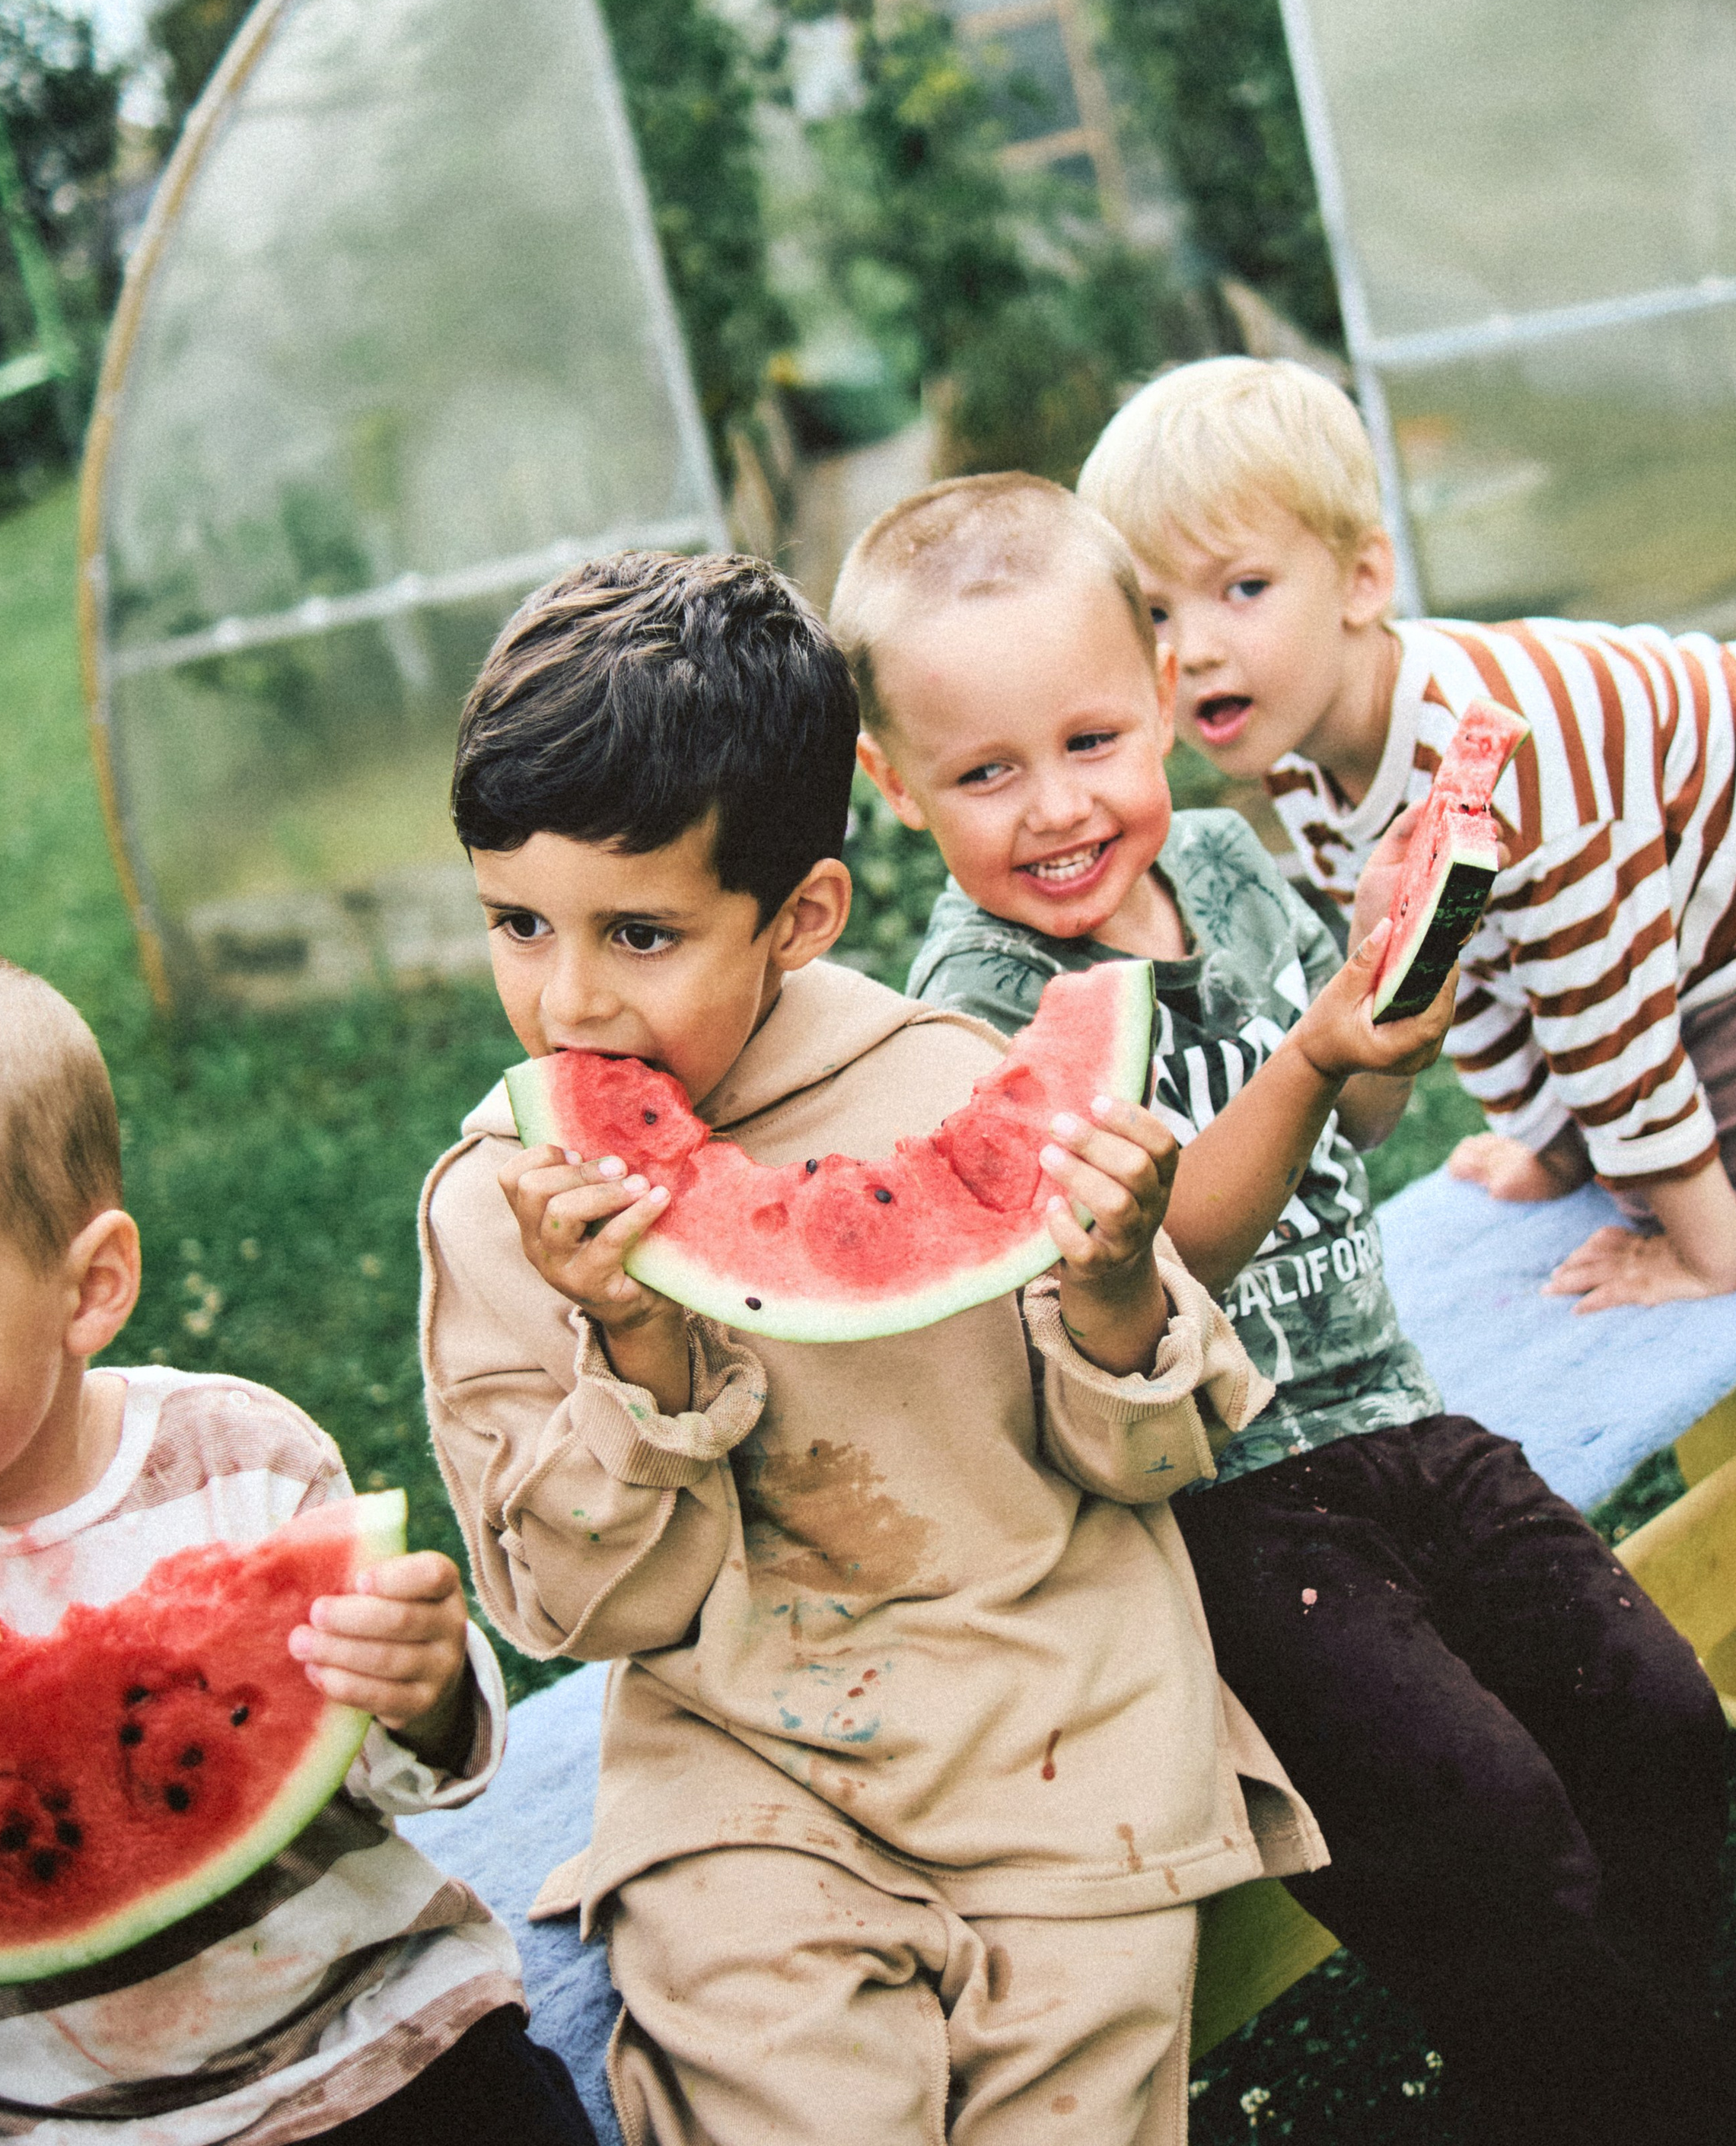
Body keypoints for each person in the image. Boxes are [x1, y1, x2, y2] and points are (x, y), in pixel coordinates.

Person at [832, 473, 1736, 2146]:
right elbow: (1152, 1265)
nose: (1054, 808)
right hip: (1217, 1498)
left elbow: (1373, 1120)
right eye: (984, 771)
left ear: (1164, 701)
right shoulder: (970, 1012)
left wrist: (1392, 1000)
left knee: (1657, 1714)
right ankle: (1638, 2095)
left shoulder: (1236, 870)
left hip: (1395, 1413)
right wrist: (1311, 1053)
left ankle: (1623, 2054)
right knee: (1476, 1808)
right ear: (891, 786)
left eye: (1092, 740)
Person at [419, 549, 1322, 2146]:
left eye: (638, 935)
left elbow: (1145, 1455)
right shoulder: (501, 1205)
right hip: (743, 1778)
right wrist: (630, 1349)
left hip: (1057, 1731)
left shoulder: (948, 1081)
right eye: (514, 923)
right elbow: (584, 1609)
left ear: (800, 916)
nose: (566, 1003)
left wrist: (1115, 1280)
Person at [1079, 353, 1736, 1315]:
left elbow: (1604, 1000)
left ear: (1363, 580)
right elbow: (1455, 959)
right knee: (1637, 1156)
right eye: (1154, 611)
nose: (1192, 649)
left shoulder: (1499, 748)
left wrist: (1703, 1250)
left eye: (1242, 589)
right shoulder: (1300, 753)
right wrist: (1554, 1144)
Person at [0, 958, 593, 2145]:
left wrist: (425, 1690)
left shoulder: (239, 1460)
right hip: (81, 2123)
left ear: (91, 1288)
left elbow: (405, 1764)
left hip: (379, 2032)